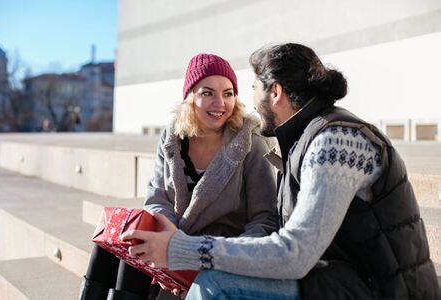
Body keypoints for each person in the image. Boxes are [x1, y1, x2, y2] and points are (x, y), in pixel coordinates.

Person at [122, 43, 441, 299]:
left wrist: (183, 251)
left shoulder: (336, 141)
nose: (248, 101)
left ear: (274, 92)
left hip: (379, 288)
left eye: (251, 89)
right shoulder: (307, 137)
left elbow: (294, 253)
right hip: (335, 274)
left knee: (214, 285)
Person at [78, 53, 278, 300]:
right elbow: (157, 197)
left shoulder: (250, 144)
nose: (220, 103)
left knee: (135, 262)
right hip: (173, 244)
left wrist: (189, 255)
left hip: (217, 254)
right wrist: (167, 238)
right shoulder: (173, 138)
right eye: (208, 93)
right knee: (114, 247)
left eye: (228, 93)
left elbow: (265, 220)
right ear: (190, 96)